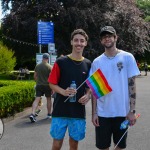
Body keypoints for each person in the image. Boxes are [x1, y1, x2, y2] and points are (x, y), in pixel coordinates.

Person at [90, 26, 140, 150]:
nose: (107, 39)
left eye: (110, 36)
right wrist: (94, 113)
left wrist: (132, 111)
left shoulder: (127, 57)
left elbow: (132, 85)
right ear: (101, 41)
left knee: (119, 147)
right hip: (103, 113)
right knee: (103, 147)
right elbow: (95, 90)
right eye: (104, 37)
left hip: (122, 112)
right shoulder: (97, 62)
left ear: (115, 38)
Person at [48, 29, 91, 150]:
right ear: (71, 42)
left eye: (82, 41)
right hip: (60, 110)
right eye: (76, 40)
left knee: (74, 144)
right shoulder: (61, 62)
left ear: (85, 43)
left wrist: (87, 95)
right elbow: (51, 83)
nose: (79, 43)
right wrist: (63, 91)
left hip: (77, 111)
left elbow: (89, 87)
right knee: (56, 145)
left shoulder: (88, 64)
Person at [29, 53, 52, 123]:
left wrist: (38, 81)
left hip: (39, 85)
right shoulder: (50, 67)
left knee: (37, 99)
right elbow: (51, 78)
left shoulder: (37, 66)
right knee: (48, 99)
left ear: (42, 58)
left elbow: (35, 76)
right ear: (48, 58)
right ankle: (49, 114)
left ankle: (32, 113)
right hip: (47, 85)